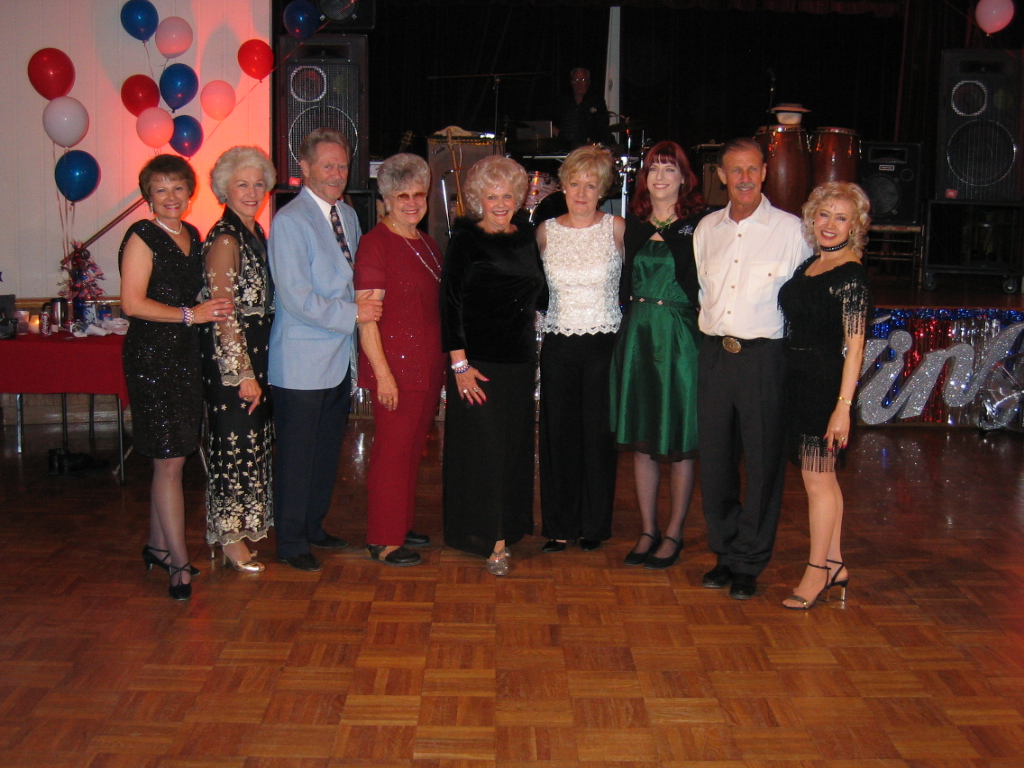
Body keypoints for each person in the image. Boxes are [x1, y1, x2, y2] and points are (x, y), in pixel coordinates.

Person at [693, 137, 812, 600]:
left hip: (764, 359)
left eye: (752, 169)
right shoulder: (707, 229)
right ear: (721, 176)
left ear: (764, 172)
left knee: (763, 465)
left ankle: (749, 561)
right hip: (714, 355)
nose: (744, 178)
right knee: (715, 463)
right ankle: (724, 552)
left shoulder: (792, 231)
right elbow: (705, 292)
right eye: (734, 170)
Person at [268, 128, 383, 572]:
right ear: (305, 167)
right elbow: (296, 298)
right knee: (296, 457)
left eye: (342, 166)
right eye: (328, 166)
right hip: (299, 363)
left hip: (337, 361)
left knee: (324, 451)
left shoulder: (347, 216)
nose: (337, 174)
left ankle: (313, 526)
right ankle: (290, 540)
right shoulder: (290, 221)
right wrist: (355, 313)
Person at [120, 154, 234, 600]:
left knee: (175, 457)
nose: (171, 196)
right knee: (169, 460)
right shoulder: (141, 235)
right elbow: (131, 303)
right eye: (161, 189)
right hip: (152, 358)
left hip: (185, 355)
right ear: (149, 197)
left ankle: (157, 547)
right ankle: (179, 564)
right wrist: (191, 314)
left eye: (178, 187)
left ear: (190, 192)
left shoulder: (193, 234)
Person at [440, 155, 546, 576]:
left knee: (514, 449)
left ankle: (510, 527)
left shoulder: (525, 237)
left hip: (519, 362)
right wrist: (459, 365)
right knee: (483, 453)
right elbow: (449, 305)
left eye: (507, 196)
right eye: (491, 196)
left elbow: (539, 294)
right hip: (477, 365)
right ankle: (490, 539)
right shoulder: (465, 240)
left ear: (518, 198)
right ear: (477, 200)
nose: (500, 204)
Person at [610, 141, 707, 569]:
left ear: (685, 178)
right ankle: (648, 529)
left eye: (670, 169)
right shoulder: (630, 225)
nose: (661, 177)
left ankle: (674, 533)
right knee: (643, 440)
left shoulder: (701, 224)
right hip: (638, 337)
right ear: (644, 178)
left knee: (680, 441)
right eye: (653, 169)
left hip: (680, 340)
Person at [778, 182, 871, 609]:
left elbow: (856, 347)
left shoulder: (851, 275)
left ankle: (817, 571)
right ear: (812, 217)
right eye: (824, 214)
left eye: (841, 217)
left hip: (824, 386)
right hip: (796, 381)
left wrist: (843, 408)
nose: (830, 224)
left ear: (855, 226)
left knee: (818, 482)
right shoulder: (811, 264)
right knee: (822, 479)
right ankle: (835, 564)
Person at [354, 153, 446, 567]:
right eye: (401, 195)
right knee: (392, 454)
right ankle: (383, 538)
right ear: (386, 200)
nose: (411, 202)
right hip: (395, 367)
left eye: (418, 194)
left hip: (426, 366)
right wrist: (384, 375)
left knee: (411, 452)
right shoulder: (376, 244)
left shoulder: (425, 242)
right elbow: (366, 317)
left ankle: (400, 524)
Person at [536, 146, 623, 553]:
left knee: (599, 439)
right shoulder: (545, 231)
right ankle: (559, 525)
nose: (582, 193)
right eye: (575, 183)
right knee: (559, 437)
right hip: (559, 344)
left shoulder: (617, 229)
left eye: (591, 185)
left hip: (605, 345)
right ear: (563, 187)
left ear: (602, 190)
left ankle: (593, 525)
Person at [200, 146, 277, 573]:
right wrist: (242, 374)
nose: (252, 192)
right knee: (233, 448)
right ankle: (229, 539)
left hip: (257, 358)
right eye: (242, 184)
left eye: (258, 184)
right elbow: (222, 312)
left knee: (251, 447)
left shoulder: (253, 232)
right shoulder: (226, 238)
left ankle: (241, 531)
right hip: (233, 366)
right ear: (224, 189)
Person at [556, 67, 611, 148]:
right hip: (566, 146)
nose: (579, 84)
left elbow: (601, 126)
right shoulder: (564, 102)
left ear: (588, 82)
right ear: (571, 82)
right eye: (576, 80)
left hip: (587, 147)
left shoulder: (596, 101)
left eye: (583, 80)